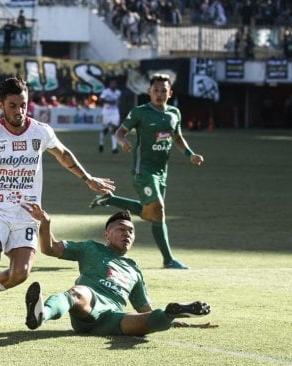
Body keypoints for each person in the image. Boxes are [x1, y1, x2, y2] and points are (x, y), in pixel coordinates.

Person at [0, 77, 116, 332]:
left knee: (20, 273)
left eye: (23, 104)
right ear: (2, 105)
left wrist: (88, 179)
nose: (19, 111)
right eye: (13, 105)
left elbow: (63, 154)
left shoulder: (41, 131)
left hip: (27, 214)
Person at [21, 204, 215, 336]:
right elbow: (49, 248)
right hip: (90, 306)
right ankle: (41, 315)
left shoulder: (134, 271)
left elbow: (145, 309)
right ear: (107, 234)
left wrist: (180, 321)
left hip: (114, 318)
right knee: (78, 293)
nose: (127, 234)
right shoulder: (91, 248)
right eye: (121, 229)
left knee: (145, 322)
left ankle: (175, 312)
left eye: (131, 231)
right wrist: (45, 223)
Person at [89, 73, 204, 270]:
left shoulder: (174, 113)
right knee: (158, 210)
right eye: (156, 90)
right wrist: (123, 141)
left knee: (151, 213)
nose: (159, 94)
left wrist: (190, 154)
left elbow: (177, 137)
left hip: (162, 172)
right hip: (143, 170)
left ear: (170, 93)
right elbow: (119, 131)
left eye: (163, 91)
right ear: (149, 91)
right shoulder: (140, 112)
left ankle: (110, 199)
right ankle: (168, 260)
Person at [98, 79, 122, 154]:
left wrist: (119, 102)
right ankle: (101, 143)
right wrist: (110, 102)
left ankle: (114, 148)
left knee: (114, 129)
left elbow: (119, 100)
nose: (113, 85)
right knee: (105, 130)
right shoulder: (106, 92)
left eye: (115, 84)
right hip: (106, 112)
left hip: (115, 112)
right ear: (110, 84)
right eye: (112, 84)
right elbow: (101, 100)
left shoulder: (118, 92)